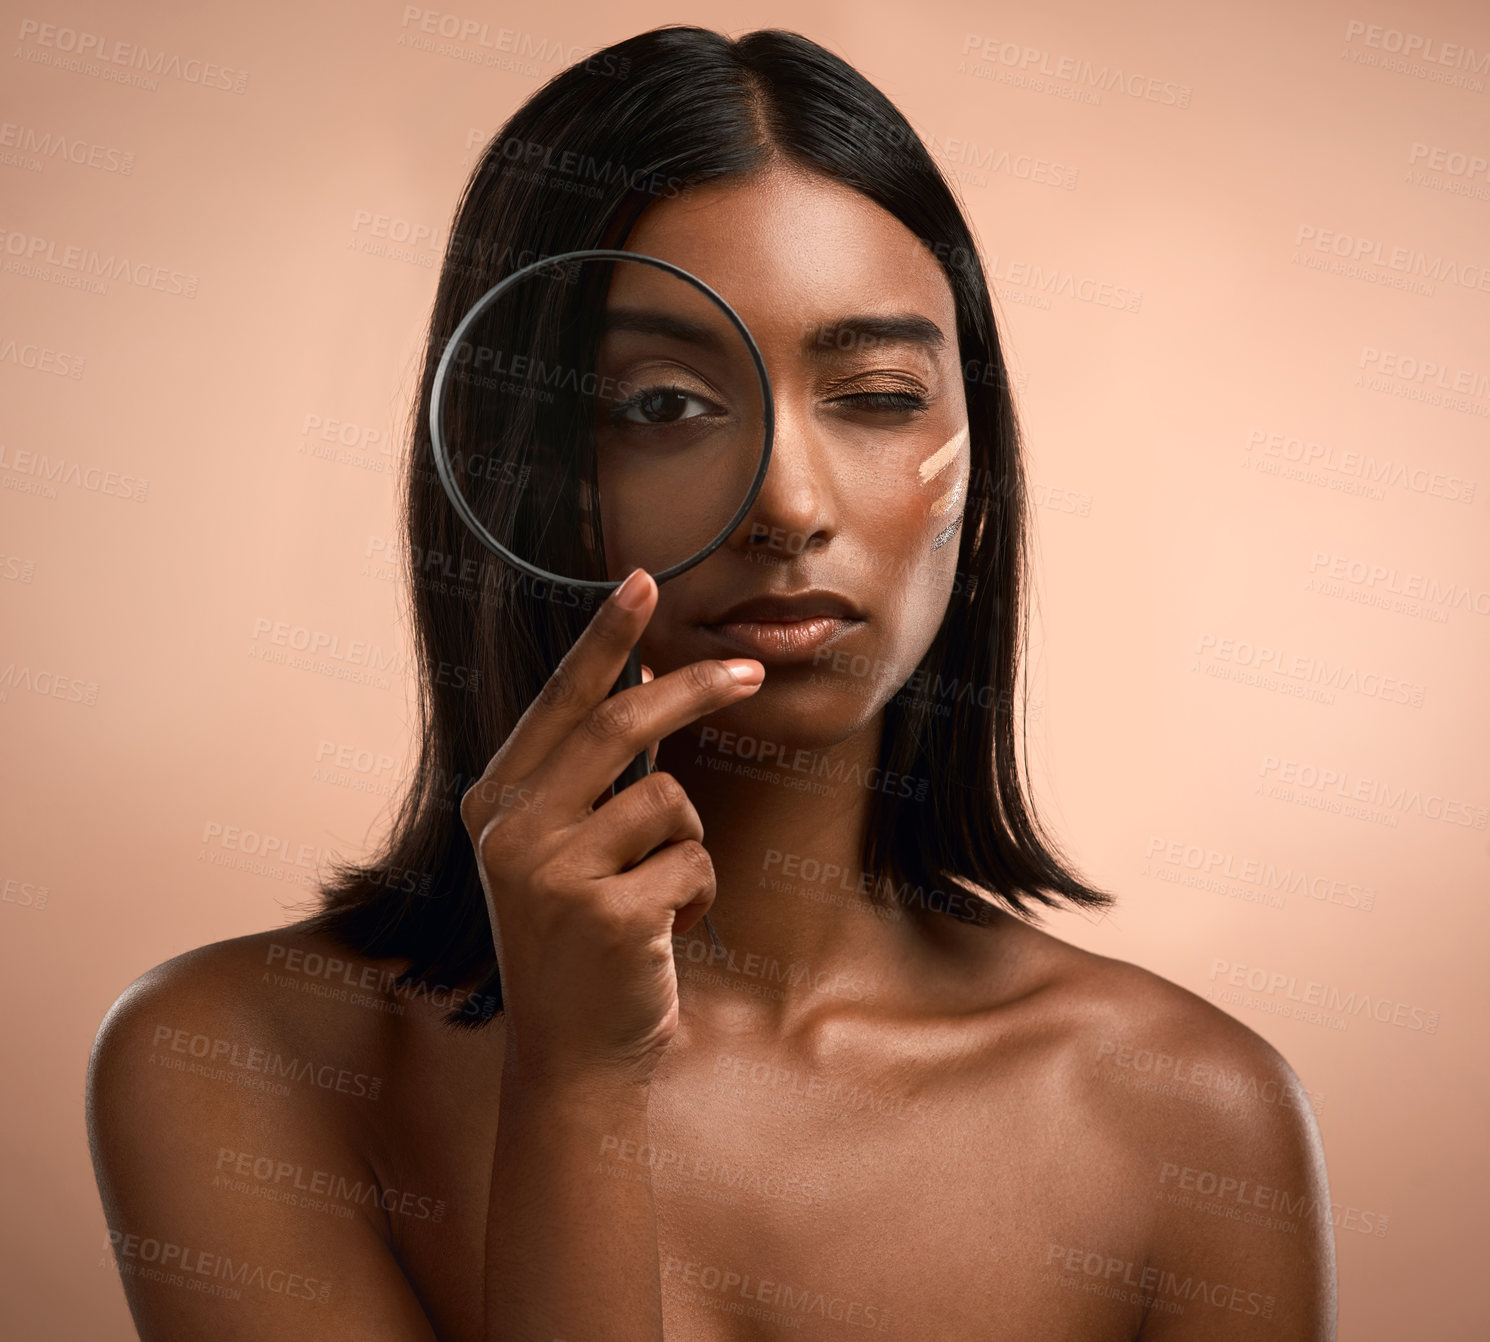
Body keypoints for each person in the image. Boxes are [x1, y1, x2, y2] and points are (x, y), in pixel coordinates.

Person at [86, 24, 1336, 1341]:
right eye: (665, 405)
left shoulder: (1188, 1117)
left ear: (974, 470)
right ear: (515, 459)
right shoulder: (233, 1064)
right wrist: (573, 1088)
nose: (788, 505)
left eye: (872, 393)